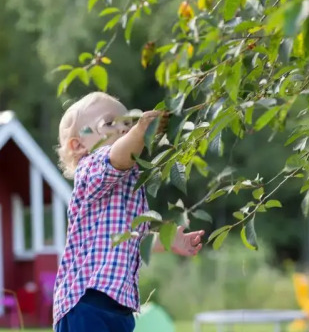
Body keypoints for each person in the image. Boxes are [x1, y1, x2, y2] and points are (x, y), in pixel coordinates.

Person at [53, 91, 205, 332]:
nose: (123, 129)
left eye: (127, 122)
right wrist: (140, 130)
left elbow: (132, 240)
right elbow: (120, 156)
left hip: (118, 306)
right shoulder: (90, 168)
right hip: (86, 301)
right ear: (79, 144)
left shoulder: (127, 186)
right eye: (109, 123)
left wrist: (166, 241)